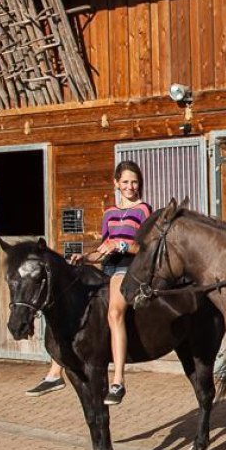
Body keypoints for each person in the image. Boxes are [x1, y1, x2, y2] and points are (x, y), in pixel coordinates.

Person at [70, 160, 152, 404]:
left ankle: (118, 381)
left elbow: (146, 247)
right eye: (125, 182)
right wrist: (85, 257)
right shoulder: (108, 212)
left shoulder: (143, 210)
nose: (130, 186)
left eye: (134, 182)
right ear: (116, 183)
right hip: (107, 266)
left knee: (114, 313)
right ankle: (56, 372)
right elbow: (102, 249)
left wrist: (123, 244)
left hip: (128, 267)